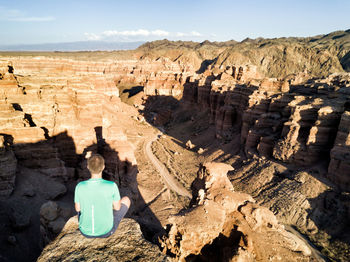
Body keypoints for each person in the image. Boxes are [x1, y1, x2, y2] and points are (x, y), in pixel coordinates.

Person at [74, 153, 131, 238]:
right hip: (106, 232)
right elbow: (117, 208)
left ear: (88, 167)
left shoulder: (80, 186)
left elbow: (78, 209)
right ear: (103, 167)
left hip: (84, 232)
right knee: (126, 200)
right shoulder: (112, 185)